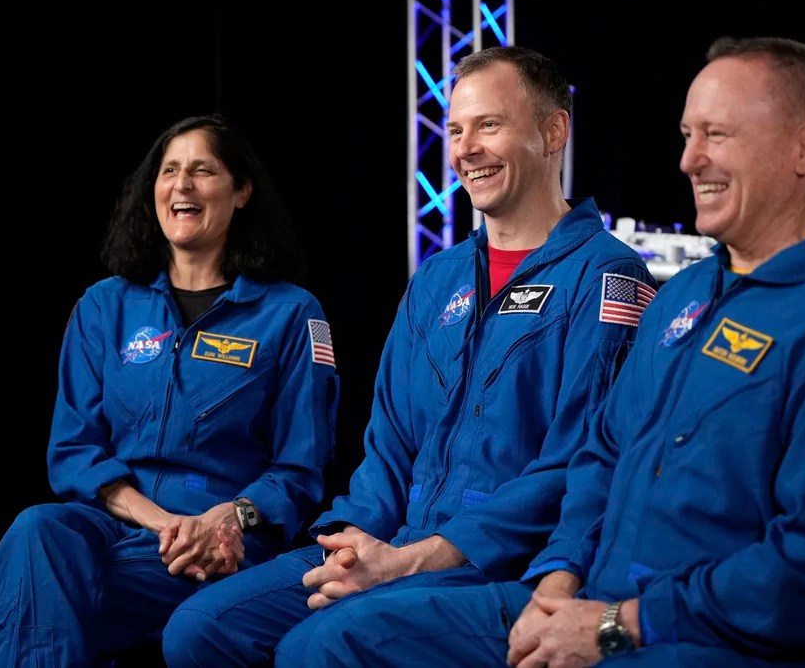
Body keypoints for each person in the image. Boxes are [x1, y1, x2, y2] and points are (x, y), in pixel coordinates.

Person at [280, 36, 805, 668]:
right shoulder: (680, 299)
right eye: (688, 136)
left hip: (701, 639)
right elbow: (599, 456)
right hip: (589, 600)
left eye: (718, 135)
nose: (690, 161)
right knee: (324, 646)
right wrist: (557, 583)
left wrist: (621, 625)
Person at [161, 45, 658, 667]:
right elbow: (389, 445)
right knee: (200, 630)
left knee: (312, 650)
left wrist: (410, 560)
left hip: (502, 567)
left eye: (489, 125)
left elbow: (579, 466)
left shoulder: (608, 277)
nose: (465, 148)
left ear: (554, 131)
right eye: (455, 129)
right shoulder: (437, 278)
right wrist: (354, 547)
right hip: (395, 543)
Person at [0, 114, 339, 666]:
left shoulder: (291, 314)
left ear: (241, 192)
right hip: (115, 525)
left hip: (226, 544)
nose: (182, 185)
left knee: (29, 590)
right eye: (169, 171)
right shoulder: (104, 306)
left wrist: (223, 520)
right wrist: (165, 523)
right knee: (37, 528)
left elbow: (300, 469)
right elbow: (74, 451)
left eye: (202, 171)